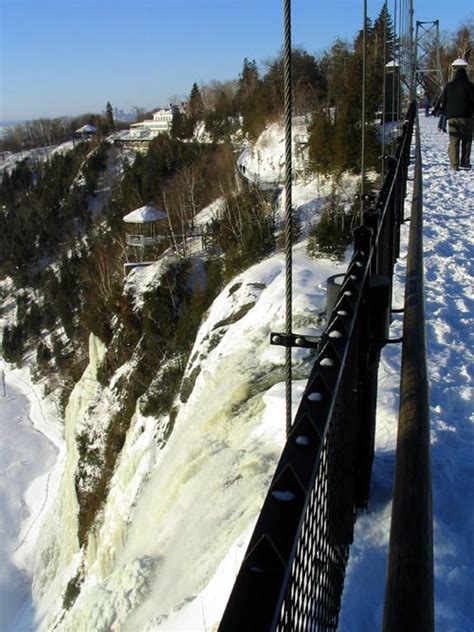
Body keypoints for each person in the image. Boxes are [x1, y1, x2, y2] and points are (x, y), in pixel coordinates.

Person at [439, 58, 474, 170]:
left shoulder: (449, 86)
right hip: (466, 117)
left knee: (454, 140)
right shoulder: (469, 86)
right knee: (467, 139)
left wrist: (443, 111)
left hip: (452, 117)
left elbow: (443, 100)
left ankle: (454, 164)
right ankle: (465, 161)